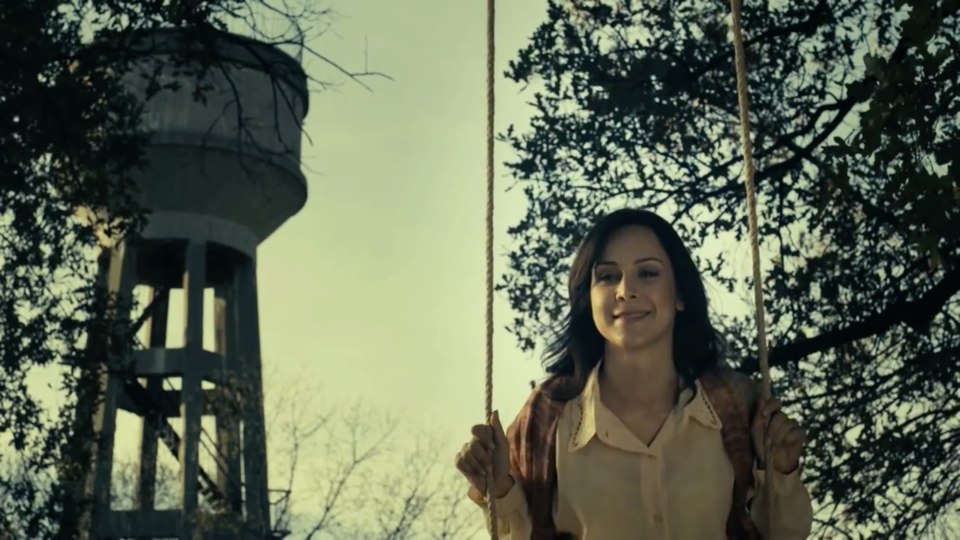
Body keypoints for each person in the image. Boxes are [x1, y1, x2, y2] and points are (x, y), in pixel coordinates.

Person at [454, 208, 813, 539]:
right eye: (608, 276)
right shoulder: (548, 417)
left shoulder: (734, 405)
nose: (626, 291)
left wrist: (780, 473)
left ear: (680, 295)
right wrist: (498, 489)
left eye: (647, 273)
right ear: (589, 298)